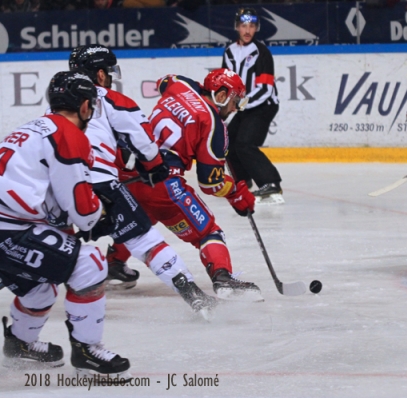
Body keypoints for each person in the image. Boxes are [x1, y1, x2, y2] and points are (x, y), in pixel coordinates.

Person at [0, 71, 129, 374]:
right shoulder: (68, 134)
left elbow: (46, 199)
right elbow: (82, 211)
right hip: (4, 227)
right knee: (89, 264)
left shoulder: (36, 127)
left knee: (40, 289)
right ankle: (88, 351)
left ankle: (20, 345)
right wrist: (98, 213)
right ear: (85, 106)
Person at [68, 45, 217, 316]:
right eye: (109, 72)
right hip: (100, 182)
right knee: (143, 238)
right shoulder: (112, 99)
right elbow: (145, 143)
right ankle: (192, 294)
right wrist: (154, 166)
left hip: (58, 184)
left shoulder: (55, 104)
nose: (111, 77)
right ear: (100, 75)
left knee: (49, 239)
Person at [118, 69, 261, 300]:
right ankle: (222, 277)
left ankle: (113, 265)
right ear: (222, 95)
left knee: (140, 223)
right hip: (163, 184)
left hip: (128, 177)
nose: (234, 108)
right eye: (234, 101)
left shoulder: (179, 85)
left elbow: (163, 80)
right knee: (208, 231)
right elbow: (210, 182)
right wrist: (236, 192)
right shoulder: (214, 126)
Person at [221, 7, 284, 205]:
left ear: (256, 28)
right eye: (243, 26)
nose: (247, 30)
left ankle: (271, 183)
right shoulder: (229, 52)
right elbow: (227, 83)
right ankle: (242, 182)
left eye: (251, 26)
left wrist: (239, 105)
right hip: (244, 105)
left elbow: (265, 89)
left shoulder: (262, 53)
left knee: (245, 144)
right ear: (237, 27)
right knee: (227, 143)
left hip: (264, 105)